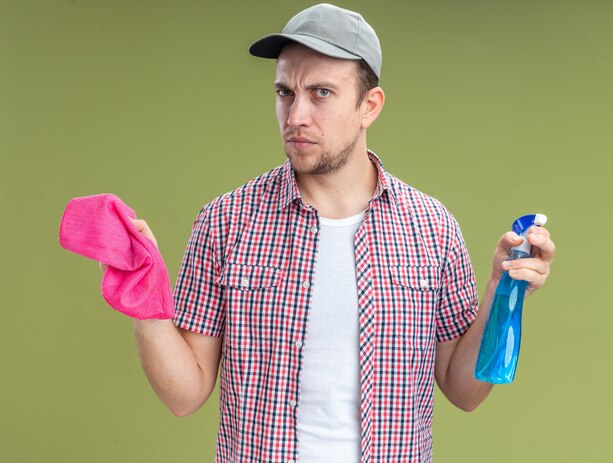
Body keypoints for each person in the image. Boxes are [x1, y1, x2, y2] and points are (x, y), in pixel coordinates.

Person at [122, 4, 555, 462]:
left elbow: (464, 390)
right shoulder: (226, 222)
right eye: (285, 92)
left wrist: (500, 287)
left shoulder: (432, 228)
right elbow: (184, 395)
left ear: (369, 105)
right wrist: (144, 296)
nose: (296, 116)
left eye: (321, 93)